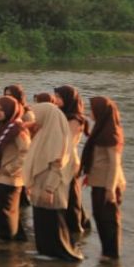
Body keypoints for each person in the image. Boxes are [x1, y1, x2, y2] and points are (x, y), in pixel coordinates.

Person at [23, 98, 83, 261]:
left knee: (53, 220)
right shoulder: (44, 133)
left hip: (51, 186)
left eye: (37, 116)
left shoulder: (58, 136)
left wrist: (49, 188)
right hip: (39, 183)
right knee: (41, 219)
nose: (35, 119)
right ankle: (45, 251)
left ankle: (63, 253)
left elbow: (58, 166)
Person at [83, 97, 125, 259]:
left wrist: (110, 189)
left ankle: (111, 254)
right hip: (98, 181)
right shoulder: (101, 129)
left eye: (92, 109)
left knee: (108, 219)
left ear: (101, 112)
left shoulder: (111, 134)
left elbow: (114, 164)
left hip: (107, 184)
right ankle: (106, 252)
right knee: (99, 216)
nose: (89, 112)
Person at [0, 97, 29, 241]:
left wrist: (10, 168)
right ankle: (7, 234)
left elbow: (26, 152)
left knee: (6, 209)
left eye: (2, 110)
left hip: (10, 177)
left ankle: (10, 237)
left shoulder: (18, 129)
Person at [54, 85, 93, 238]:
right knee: (67, 195)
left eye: (59, 97)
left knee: (72, 196)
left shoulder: (75, 119)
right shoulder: (61, 114)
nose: (55, 100)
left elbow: (67, 142)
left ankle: (76, 228)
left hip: (69, 159)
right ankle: (79, 223)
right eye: (55, 96)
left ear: (68, 99)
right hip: (62, 157)